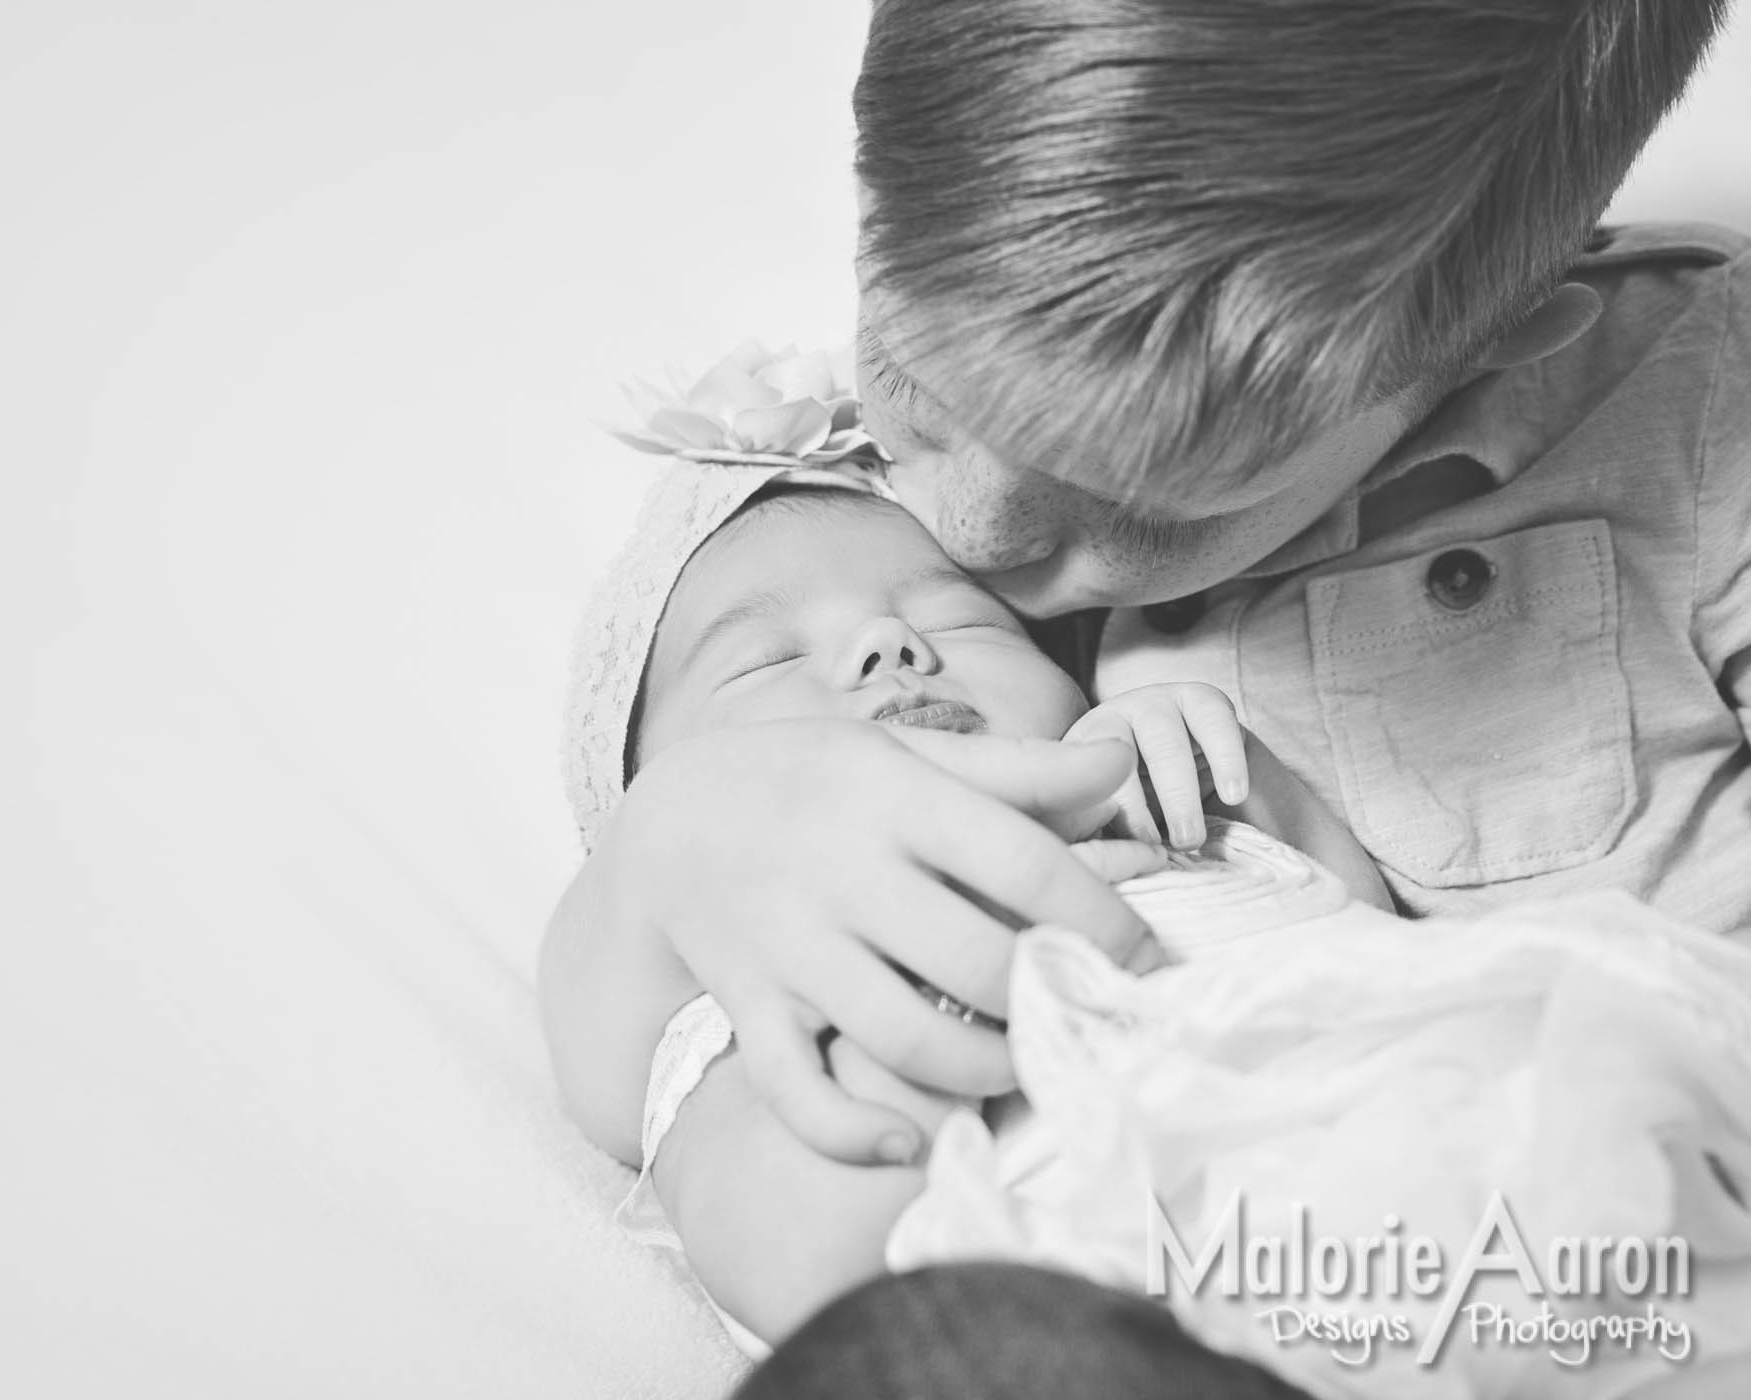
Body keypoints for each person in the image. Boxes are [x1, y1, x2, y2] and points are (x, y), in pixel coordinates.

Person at [542, 0, 1751, 1186]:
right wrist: (673, 842)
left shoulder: (1709, 406)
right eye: (916, 391)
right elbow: (661, 1083)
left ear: (1478, 349)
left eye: (1136, 508)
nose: (969, 532)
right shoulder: (849, 520)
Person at [552, 459, 1751, 1399]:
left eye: (962, 619)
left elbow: (1378, 935)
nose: (891, 644)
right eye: (763, 663)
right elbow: (808, 1262)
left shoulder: (1179, 828)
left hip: (1506, 1247)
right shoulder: (726, 990)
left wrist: (1237, 782)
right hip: (1102, 1327)